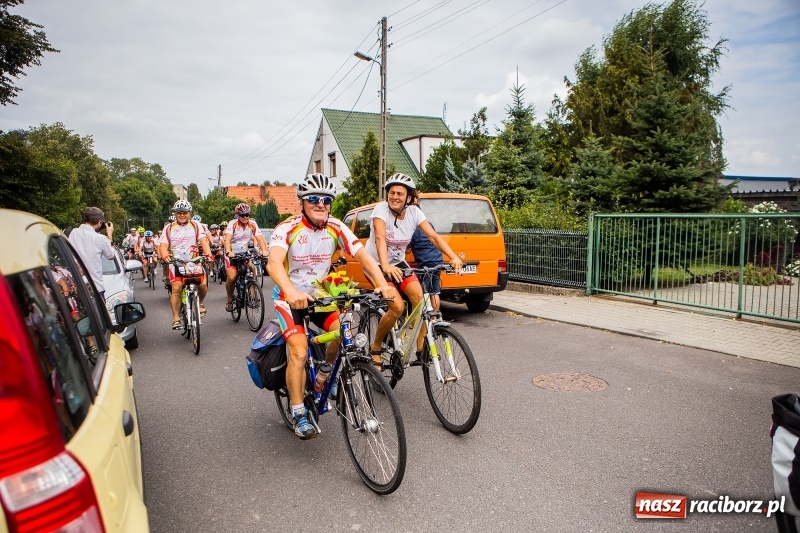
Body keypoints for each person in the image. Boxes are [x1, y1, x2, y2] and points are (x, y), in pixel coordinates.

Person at [267, 173, 396, 440]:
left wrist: (383, 284)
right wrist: (291, 292)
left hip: (321, 296)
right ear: (302, 202)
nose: (320, 204)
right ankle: (299, 410)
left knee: (342, 332)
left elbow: (364, 257)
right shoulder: (287, 229)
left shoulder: (336, 227)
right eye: (313, 199)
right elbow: (274, 264)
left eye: (326, 200)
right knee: (300, 353)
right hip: (289, 298)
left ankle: (325, 374)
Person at [365, 173, 462, 366]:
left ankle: (418, 346)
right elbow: (380, 238)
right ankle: (375, 346)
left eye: (400, 193)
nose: (395, 196)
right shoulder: (380, 210)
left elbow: (434, 236)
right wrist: (385, 266)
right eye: (392, 193)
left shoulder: (414, 213)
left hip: (398, 262)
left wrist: (453, 256)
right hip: (375, 263)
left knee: (421, 301)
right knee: (398, 306)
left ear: (409, 197)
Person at [159, 200, 213, 330]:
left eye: (184, 213)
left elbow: (203, 241)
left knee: (203, 285)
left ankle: (199, 303)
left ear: (189, 213)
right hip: (176, 262)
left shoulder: (195, 225)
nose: (182, 215)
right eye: (179, 213)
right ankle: (176, 318)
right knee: (176, 289)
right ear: (175, 213)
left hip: (194, 261)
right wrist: (165, 256)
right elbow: (163, 245)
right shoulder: (169, 228)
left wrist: (208, 254)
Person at [223, 203, 268, 312]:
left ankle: (252, 296)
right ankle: (229, 299)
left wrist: (264, 251)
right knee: (232, 277)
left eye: (247, 215)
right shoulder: (232, 224)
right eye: (243, 215)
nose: (245, 217)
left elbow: (260, 238)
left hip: (245, 253)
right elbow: (227, 239)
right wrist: (229, 251)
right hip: (232, 254)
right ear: (238, 215)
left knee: (252, 270)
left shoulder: (252, 224)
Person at [68, 207, 115, 300]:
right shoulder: (101, 238)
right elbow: (111, 255)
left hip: (76, 286)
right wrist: (109, 234)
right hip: (95, 287)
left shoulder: (73, 233)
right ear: (100, 222)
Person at [408, 207, 445, 314]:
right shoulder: (429, 224)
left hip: (425, 264)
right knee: (435, 291)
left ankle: (419, 319)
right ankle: (434, 317)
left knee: (422, 292)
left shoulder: (412, 229)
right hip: (437, 261)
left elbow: (407, 250)